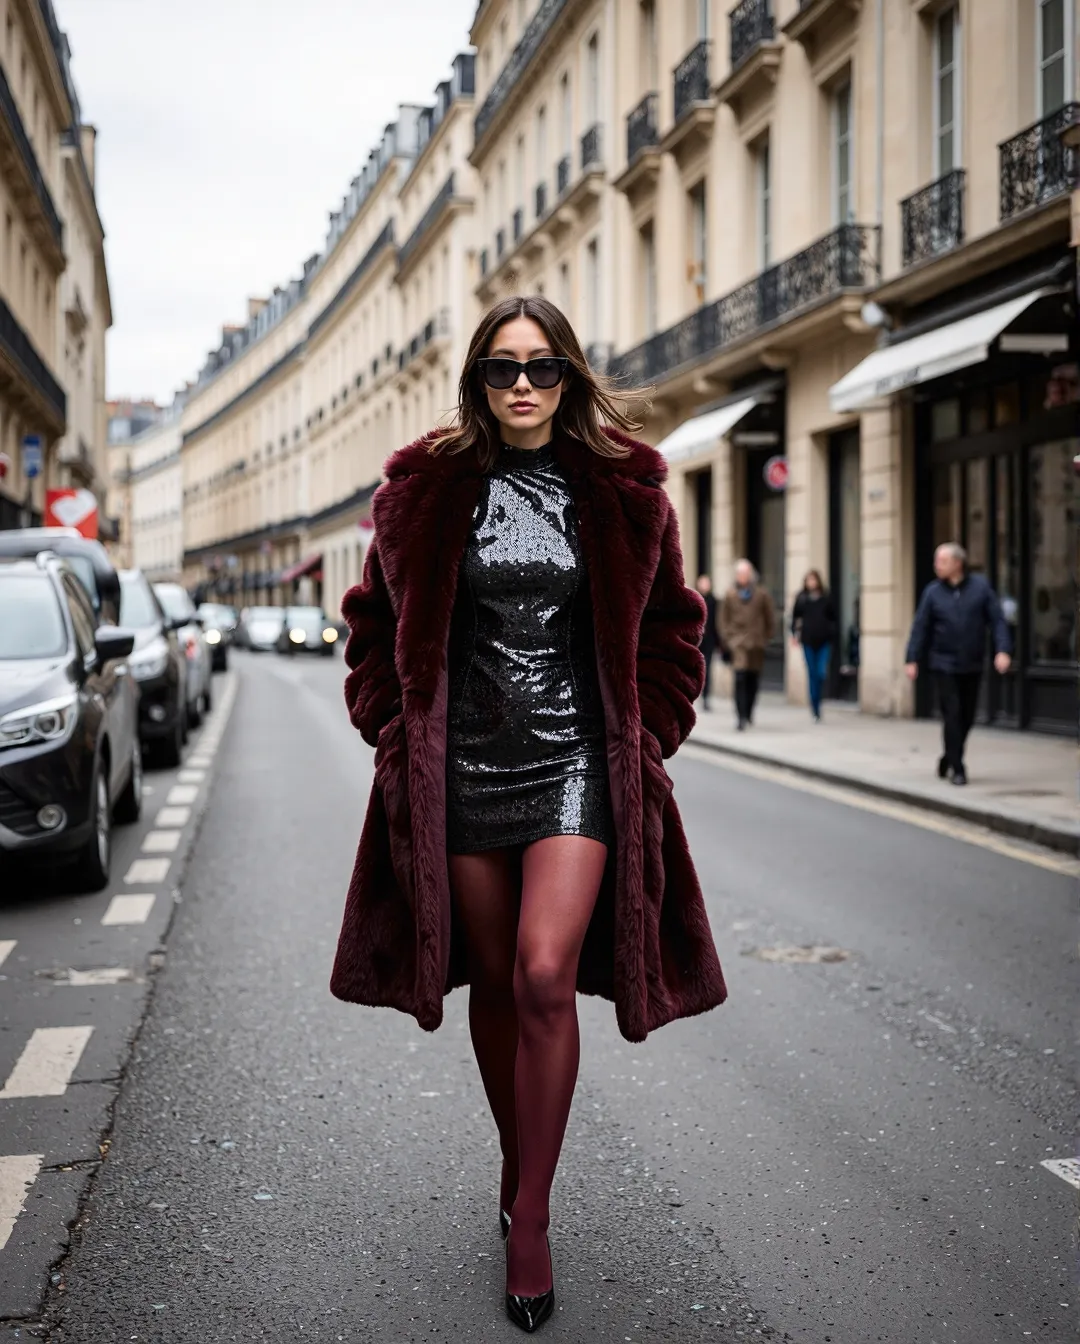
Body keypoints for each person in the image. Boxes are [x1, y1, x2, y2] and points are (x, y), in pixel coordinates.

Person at [331, 295, 727, 1334]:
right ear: (476, 381)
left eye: (542, 368)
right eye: (502, 368)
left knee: (548, 972)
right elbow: (373, 625)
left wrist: (649, 731)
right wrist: (389, 724)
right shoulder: (420, 494)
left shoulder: (626, 491)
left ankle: (532, 1219)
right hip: (461, 769)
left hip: (576, 765)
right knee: (499, 984)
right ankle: (517, 1163)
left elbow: (676, 629)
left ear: (569, 378)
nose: (521, 385)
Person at [904, 542, 1011, 786]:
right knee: (951, 713)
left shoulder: (981, 588)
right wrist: (912, 658)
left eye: (941, 561)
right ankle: (958, 767)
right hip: (943, 662)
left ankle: (948, 756)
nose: (936, 566)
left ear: (957, 564)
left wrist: (1002, 649)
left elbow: (997, 621)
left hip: (972, 662)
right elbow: (920, 627)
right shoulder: (932, 592)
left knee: (967, 716)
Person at [719, 559, 776, 730]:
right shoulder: (730, 595)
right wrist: (728, 637)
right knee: (740, 677)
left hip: (756, 643)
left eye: (746, 573)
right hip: (738, 643)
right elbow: (723, 619)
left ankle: (749, 711)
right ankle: (740, 716)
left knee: (753, 678)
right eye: (740, 573)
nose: (742, 577)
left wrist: (767, 636)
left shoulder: (761, 594)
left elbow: (769, 617)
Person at [790, 569, 838, 722]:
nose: (811, 583)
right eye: (808, 580)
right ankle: (815, 705)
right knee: (812, 673)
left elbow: (833, 617)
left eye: (813, 580)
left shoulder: (825, 598)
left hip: (823, 640)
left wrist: (831, 632)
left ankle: (818, 700)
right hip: (808, 640)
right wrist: (794, 634)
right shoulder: (802, 598)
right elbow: (794, 617)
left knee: (821, 672)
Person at [695, 573, 719, 711]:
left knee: (707, 670)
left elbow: (717, 622)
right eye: (702, 582)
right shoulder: (694, 600)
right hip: (696, 642)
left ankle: (706, 697)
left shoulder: (714, 601)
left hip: (709, 641)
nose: (704, 585)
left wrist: (719, 642)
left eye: (706, 583)